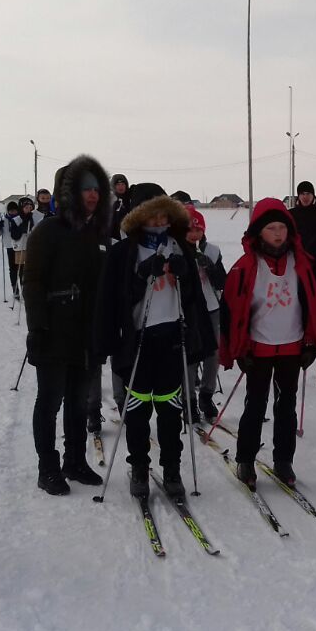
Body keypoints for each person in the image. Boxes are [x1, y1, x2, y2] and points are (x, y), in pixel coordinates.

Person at [94, 188, 208, 498]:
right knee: (137, 412)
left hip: (171, 339)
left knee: (171, 412)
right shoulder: (123, 253)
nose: (158, 221)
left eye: (163, 215)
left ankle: (172, 469)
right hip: (137, 342)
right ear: (138, 218)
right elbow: (111, 301)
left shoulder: (180, 248)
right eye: (151, 215)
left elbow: (194, 300)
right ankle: (140, 469)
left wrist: (184, 276)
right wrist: (141, 275)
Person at [220, 198, 316, 488]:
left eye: (282, 227)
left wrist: (311, 343)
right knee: (255, 406)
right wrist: (240, 348)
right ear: (258, 231)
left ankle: (284, 461)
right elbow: (234, 311)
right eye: (271, 228)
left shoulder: (304, 264)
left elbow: (315, 304)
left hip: (291, 346)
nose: (277, 233)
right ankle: (246, 460)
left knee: (286, 407)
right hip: (258, 348)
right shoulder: (246, 267)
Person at [23, 157, 110, 495]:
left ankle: (75, 460)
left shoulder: (98, 233)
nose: (93, 195)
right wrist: (38, 327)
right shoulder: (48, 231)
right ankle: (48, 467)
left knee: (78, 401)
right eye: (86, 188)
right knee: (50, 401)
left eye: (96, 188)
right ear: (69, 192)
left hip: (87, 333)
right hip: (54, 331)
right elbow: (33, 283)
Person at [186, 204, 227, 421]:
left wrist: (210, 266)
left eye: (198, 230)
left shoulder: (212, 250)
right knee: (191, 356)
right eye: (190, 231)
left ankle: (206, 395)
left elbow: (223, 282)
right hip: (188, 309)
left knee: (213, 354)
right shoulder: (177, 250)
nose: (194, 235)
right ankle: (189, 400)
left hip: (211, 307)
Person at [8, 196, 43, 299]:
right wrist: (22, 229)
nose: (28, 209)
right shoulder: (16, 220)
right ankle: (20, 289)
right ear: (21, 208)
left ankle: (29, 289)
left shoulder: (34, 217)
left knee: (30, 270)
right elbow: (14, 235)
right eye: (26, 207)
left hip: (31, 247)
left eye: (30, 207)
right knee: (21, 270)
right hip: (20, 248)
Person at [289, 181, 316, 264]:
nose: (305, 197)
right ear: (298, 196)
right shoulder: (291, 214)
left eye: (308, 193)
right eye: (302, 194)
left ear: (313, 195)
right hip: (297, 261)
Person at [0, 201, 21, 298]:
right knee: (13, 269)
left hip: (20, 247)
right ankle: (15, 288)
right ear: (8, 211)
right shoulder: (4, 220)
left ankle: (23, 287)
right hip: (10, 247)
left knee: (21, 269)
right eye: (11, 211)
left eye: (15, 210)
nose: (13, 212)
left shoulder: (20, 219)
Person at [108, 174, 130, 242]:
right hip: (114, 240)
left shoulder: (131, 200)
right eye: (118, 184)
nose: (121, 187)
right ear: (113, 186)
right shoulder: (110, 202)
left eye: (123, 184)